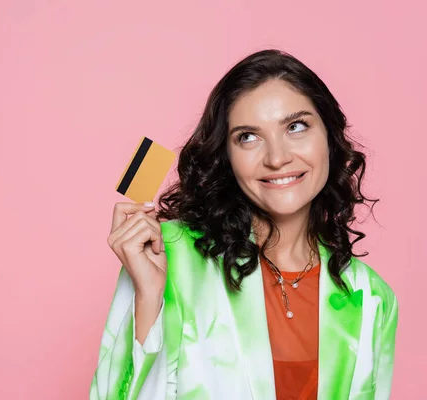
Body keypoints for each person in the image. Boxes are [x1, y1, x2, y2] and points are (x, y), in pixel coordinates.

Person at [89, 49, 398, 400]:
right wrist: (149, 298)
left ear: (329, 137)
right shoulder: (168, 255)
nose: (277, 158)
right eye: (248, 137)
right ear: (227, 157)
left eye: (296, 127)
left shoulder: (371, 297)